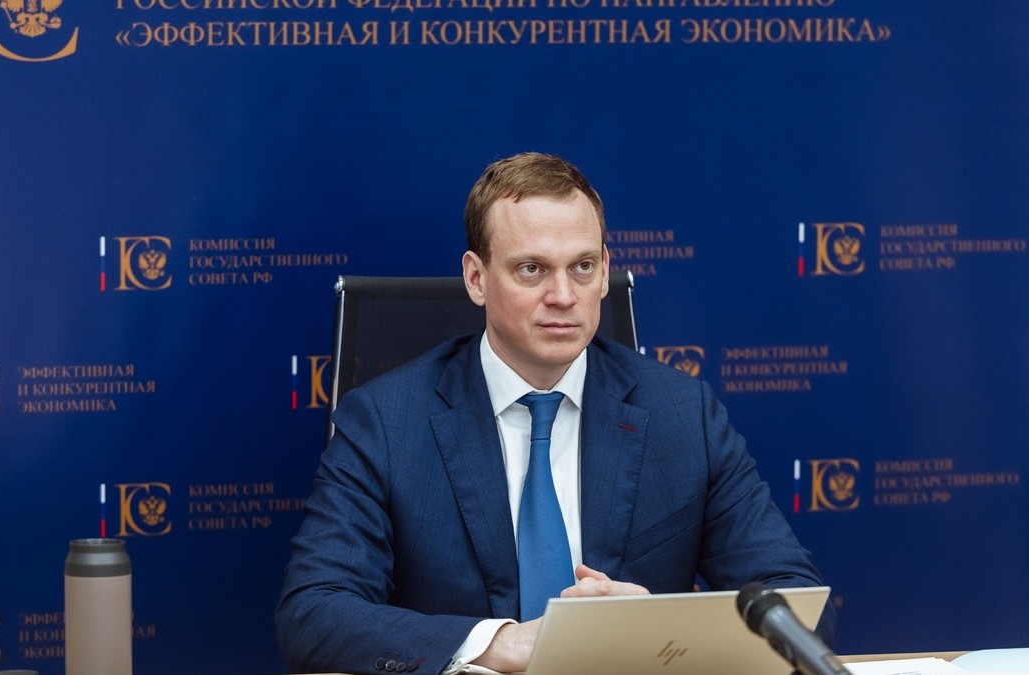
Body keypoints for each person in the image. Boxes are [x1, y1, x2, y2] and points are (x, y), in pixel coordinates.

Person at [276, 152, 834, 675]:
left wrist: (657, 625)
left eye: (583, 266)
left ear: (605, 270)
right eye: (532, 269)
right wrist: (501, 643)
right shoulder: (385, 422)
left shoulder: (685, 416)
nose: (564, 295)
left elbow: (798, 609)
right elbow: (314, 612)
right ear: (476, 278)